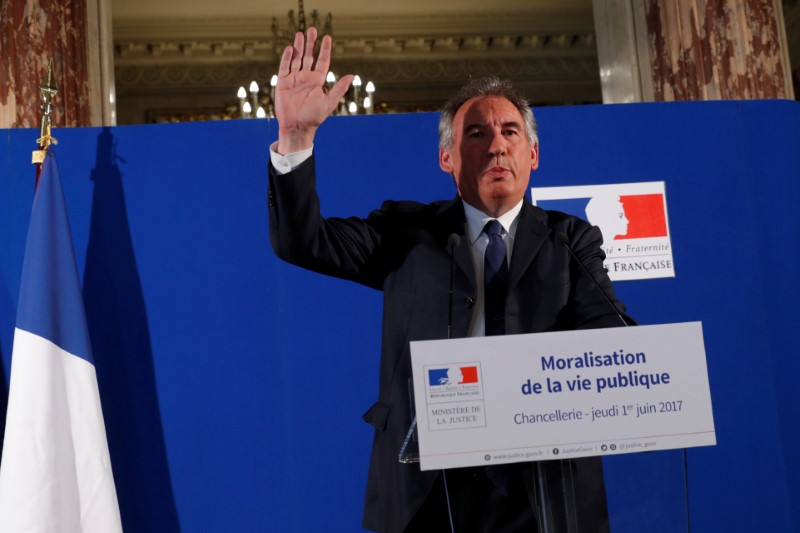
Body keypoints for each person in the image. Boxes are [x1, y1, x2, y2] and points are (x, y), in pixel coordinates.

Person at [268, 27, 632, 533]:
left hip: (544, 487)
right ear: (448, 158)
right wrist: (296, 139)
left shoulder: (571, 241)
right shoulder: (408, 232)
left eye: (510, 132)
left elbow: (608, 339)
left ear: (533, 155)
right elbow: (302, 241)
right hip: (427, 485)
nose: (497, 146)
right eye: (476, 134)